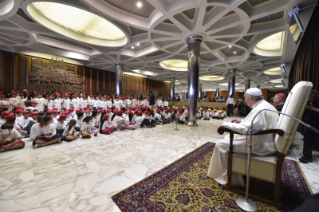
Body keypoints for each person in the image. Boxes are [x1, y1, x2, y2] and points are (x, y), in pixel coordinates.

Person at [207, 88, 278, 187]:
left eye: (245, 98)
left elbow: (248, 129)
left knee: (221, 145)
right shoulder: (265, 105)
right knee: (227, 139)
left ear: (251, 99)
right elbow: (257, 124)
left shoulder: (259, 109)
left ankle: (230, 179)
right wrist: (242, 121)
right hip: (263, 140)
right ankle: (235, 172)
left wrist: (225, 125)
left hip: (260, 144)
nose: (244, 100)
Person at [299, 90, 319, 163]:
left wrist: (312, 108)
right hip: (311, 120)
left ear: (311, 94)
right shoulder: (305, 100)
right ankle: (307, 156)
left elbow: (312, 109)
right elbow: (304, 113)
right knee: (308, 138)